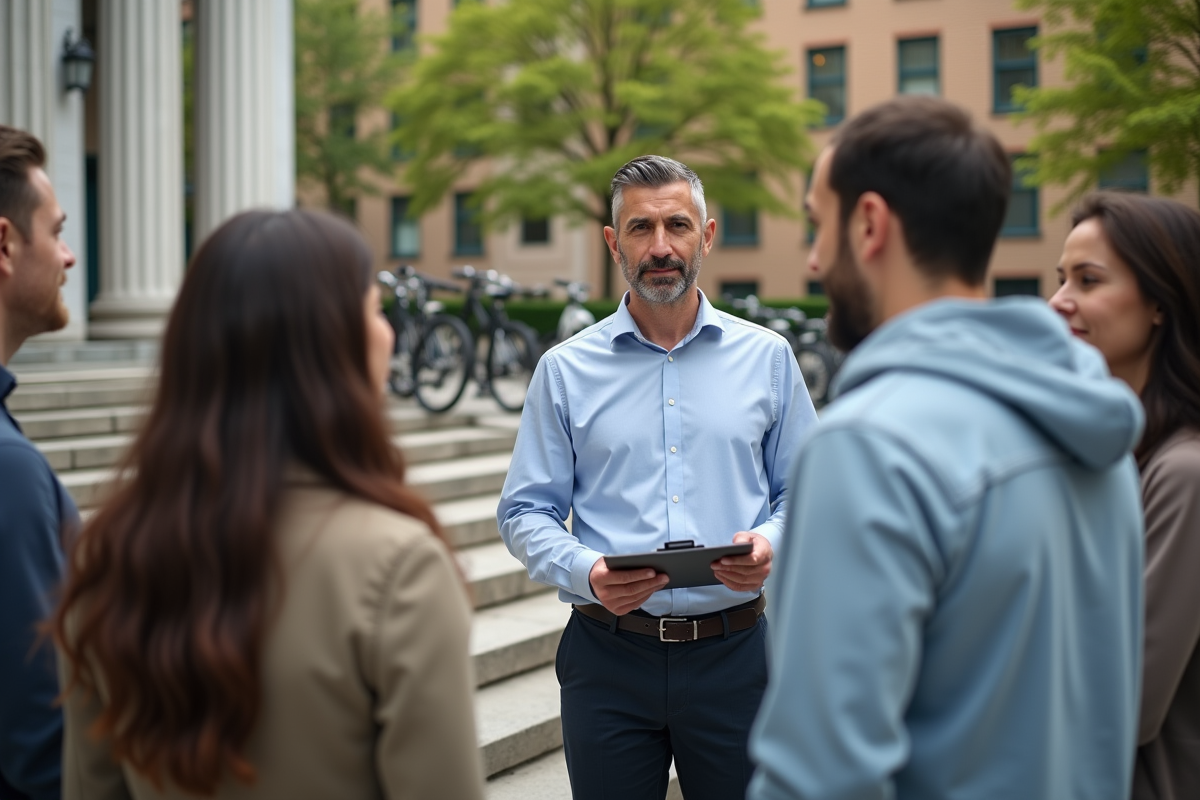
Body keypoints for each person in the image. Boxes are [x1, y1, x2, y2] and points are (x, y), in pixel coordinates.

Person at [748, 96, 1146, 800]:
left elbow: (819, 778)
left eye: (817, 225)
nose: (812, 260)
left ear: (869, 223)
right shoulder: (1097, 428)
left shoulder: (866, 447)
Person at [52, 209, 486, 800]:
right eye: (374, 310)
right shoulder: (400, 568)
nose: (387, 332)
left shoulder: (108, 559)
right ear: (332, 345)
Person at [497, 154, 817, 800]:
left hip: (737, 659)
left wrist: (769, 546)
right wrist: (586, 570)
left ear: (708, 235)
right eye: (641, 229)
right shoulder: (564, 371)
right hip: (607, 658)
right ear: (614, 242)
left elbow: (808, 495)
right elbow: (524, 511)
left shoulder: (769, 359)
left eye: (677, 225)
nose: (661, 247)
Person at [1049, 192, 1200, 800]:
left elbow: (1125, 702)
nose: (1060, 301)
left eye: (1088, 280)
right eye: (1061, 278)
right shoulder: (1112, 456)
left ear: (1162, 301)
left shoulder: (1183, 474)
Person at [0, 124, 79, 800]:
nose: (70, 255)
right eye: (55, 232)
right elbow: (44, 753)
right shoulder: (9, 470)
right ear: (4, 244)